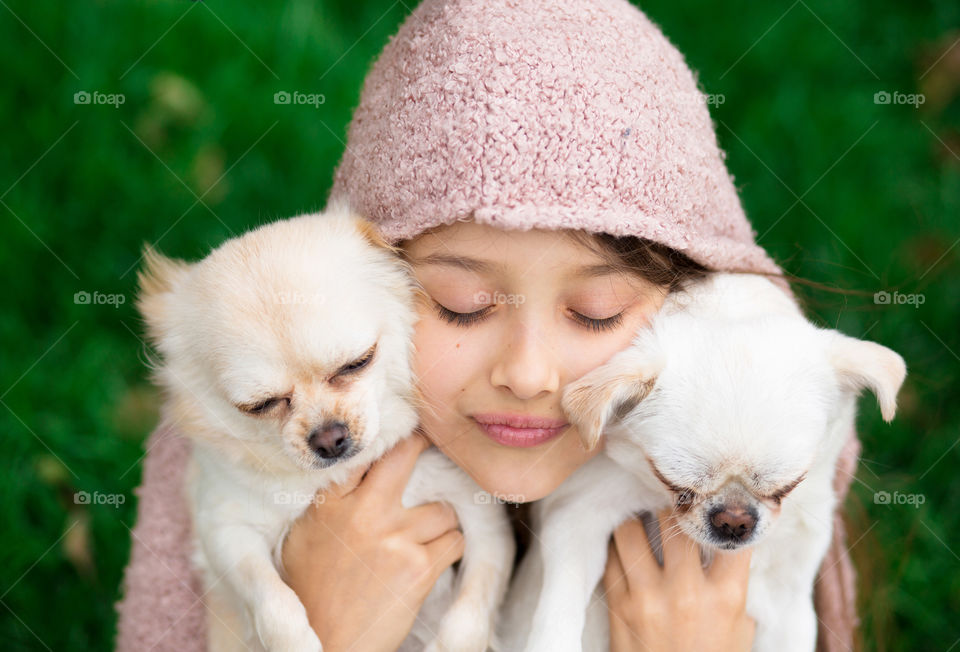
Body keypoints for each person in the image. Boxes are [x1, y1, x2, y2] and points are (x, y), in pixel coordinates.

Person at [114, 0, 861, 650]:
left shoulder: (724, 503)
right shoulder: (254, 460)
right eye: (461, 306)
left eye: (595, 312)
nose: (529, 373)